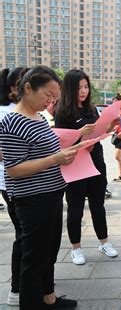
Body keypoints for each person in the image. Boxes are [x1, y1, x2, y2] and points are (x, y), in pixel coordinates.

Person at [0, 65, 78, 309]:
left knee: (49, 251)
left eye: (54, 97)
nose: (51, 101)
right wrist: (55, 159)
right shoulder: (13, 122)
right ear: (27, 88)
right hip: (32, 199)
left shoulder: (39, 117)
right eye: (47, 95)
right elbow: (14, 169)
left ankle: (49, 297)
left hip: (52, 193)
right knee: (34, 259)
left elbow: (45, 148)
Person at [55, 69, 118, 265]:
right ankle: (76, 248)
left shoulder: (91, 109)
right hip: (76, 165)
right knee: (75, 208)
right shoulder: (63, 112)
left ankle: (104, 242)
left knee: (98, 205)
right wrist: (80, 135)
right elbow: (62, 143)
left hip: (96, 161)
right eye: (79, 87)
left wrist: (110, 126)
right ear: (69, 88)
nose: (83, 91)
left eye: (86, 86)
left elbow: (98, 132)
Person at [0, 66, 29, 306]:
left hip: (33, 182)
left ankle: (31, 284)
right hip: (14, 184)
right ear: (14, 88)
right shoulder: (6, 114)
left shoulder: (32, 112)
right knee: (23, 236)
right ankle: (17, 290)